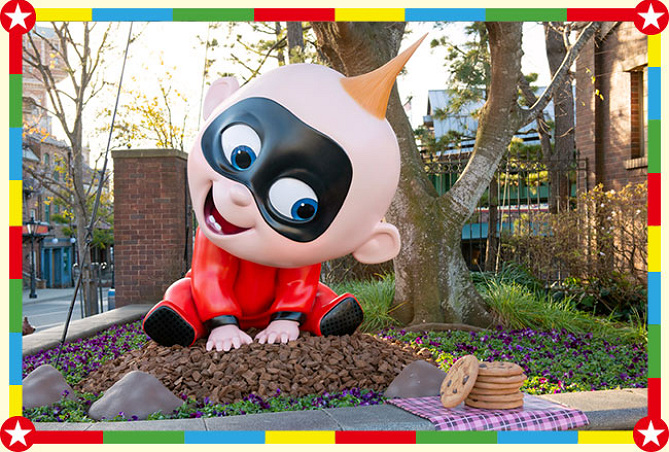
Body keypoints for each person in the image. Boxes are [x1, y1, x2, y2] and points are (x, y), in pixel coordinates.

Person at [143, 36, 425, 352]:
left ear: (372, 242)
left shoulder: (296, 248)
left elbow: (299, 277)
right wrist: (223, 323)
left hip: (280, 302)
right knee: (185, 291)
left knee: (313, 292)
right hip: (213, 301)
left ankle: (322, 313)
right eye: (240, 156)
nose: (239, 196)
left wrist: (287, 318)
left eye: (299, 207)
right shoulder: (217, 231)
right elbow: (210, 276)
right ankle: (184, 317)